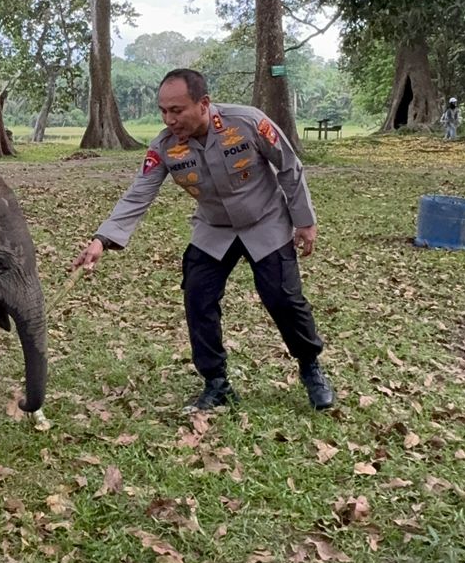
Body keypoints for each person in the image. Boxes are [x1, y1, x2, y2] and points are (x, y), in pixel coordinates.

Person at [73, 68, 335, 411]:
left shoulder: (248, 122)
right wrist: (102, 240)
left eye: (177, 110)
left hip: (265, 221)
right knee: (198, 298)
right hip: (214, 229)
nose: (169, 119)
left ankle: (310, 367)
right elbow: (139, 194)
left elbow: (289, 166)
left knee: (284, 299)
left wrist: (304, 221)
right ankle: (216, 383)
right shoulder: (165, 147)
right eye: (163, 111)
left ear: (204, 104)